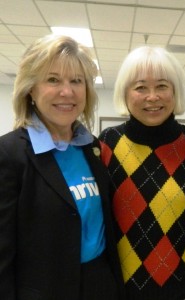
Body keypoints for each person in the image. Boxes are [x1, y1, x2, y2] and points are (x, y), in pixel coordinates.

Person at [0, 34, 125, 299]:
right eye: (53, 79)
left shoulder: (91, 147)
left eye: (76, 81)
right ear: (31, 89)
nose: (66, 92)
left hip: (99, 285)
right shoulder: (9, 154)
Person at [98, 46, 185, 300]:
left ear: (175, 91)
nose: (152, 97)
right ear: (125, 92)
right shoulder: (106, 144)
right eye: (141, 87)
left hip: (182, 288)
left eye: (162, 86)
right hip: (119, 289)